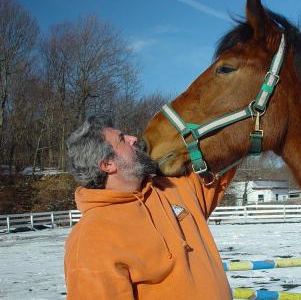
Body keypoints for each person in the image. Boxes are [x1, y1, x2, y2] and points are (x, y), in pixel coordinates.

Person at [64, 115, 235, 300]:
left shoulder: (171, 188)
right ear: (107, 165)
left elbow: (226, 157)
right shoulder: (90, 241)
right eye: (122, 139)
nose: (134, 139)